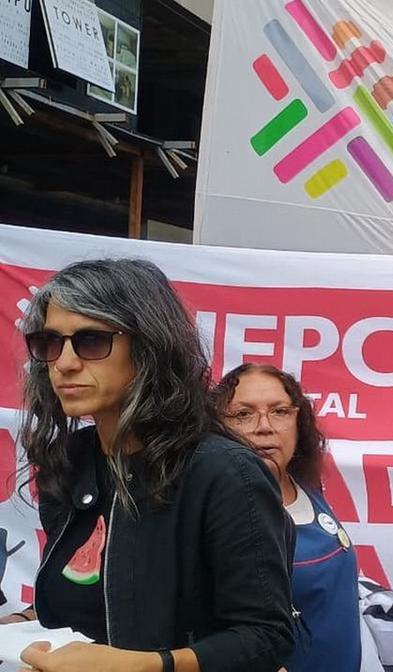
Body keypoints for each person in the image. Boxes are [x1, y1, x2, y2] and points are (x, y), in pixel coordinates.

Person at [11, 259, 294, 672]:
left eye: (91, 340)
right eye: (49, 343)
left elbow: (266, 637)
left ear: (149, 347)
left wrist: (147, 665)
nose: (65, 363)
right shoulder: (69, 461)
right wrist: (18, 626)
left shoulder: (225, 473)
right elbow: (91, 607)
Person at [213, 364, 363, 672]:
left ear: (299, 421)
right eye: (243, 414)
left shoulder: (305, 483)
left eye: (280, 411)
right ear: (216, 426)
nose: (264, 426)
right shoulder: (214, 510)